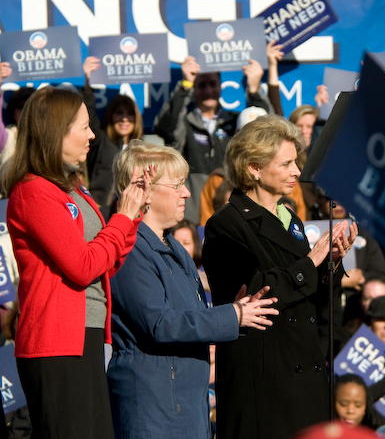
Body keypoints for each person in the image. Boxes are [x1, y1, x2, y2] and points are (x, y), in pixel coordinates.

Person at [3, 86, 150, 438]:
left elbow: (103, 264)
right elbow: (82, 266)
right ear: (56, 131)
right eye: (83, 126)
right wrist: (122, 219)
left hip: (88, 335)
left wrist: (133, 216)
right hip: (55, 342)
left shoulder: (73, 187)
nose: (92, 134)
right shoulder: (33, 190)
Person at [106, 140, 278, 439]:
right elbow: (159, 324)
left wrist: (236, 310)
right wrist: (231, 316)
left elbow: (189, 317)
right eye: (177, 185)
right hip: (154, 405)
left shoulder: (174, 246)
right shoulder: (129, 248)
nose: (186, 192)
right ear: (143, 190)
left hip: (183, 404)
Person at [202, 115, 357, 439]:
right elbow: (250, 295)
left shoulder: (292, 219)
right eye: (286, 164)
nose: (297, 172)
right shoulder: (226, 224)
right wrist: (312, 260)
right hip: (265, 383)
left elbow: (311, 298)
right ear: (254, 168)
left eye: (296, 162)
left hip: (303, 376)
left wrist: (331, 262)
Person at [154, 54, 277, 224]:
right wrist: (185, 86)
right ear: (194, 89)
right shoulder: (185, 123)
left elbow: (268, 130)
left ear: (221, 86)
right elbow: (164, 126)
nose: (208, 90)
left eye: (213, 84)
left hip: (232, 209)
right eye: (201, 85)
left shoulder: (236, 120)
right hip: (193, 214)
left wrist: (254, 89)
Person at [83, 56, 145, 209]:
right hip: (101, 208)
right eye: (119, 113)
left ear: (136, 118)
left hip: (133, 211)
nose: (124, 119)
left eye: (129, 113)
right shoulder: (101, 140)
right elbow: (88, 112)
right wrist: (87, 82)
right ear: (110, 116)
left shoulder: (143, 149)